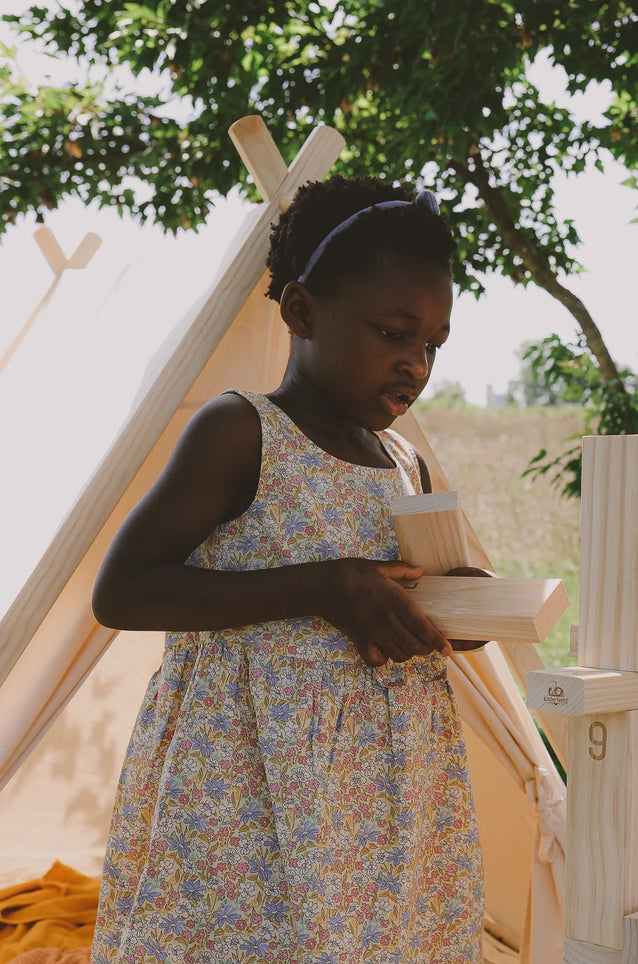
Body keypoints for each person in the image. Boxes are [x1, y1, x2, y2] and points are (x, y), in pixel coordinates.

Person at [90, 176, 486, 962]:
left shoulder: (406, 460)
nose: (414, 363)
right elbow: (123, 588)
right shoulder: (243, 431)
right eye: (391, 332)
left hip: (383, 792)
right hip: (251, 782)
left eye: (432, 345)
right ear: (302, 312)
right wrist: (320, 586)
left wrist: (453, 610)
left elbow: (398, 590)